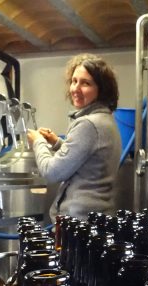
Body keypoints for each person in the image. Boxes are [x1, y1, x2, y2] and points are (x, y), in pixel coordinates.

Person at [27, 53, 121, 223]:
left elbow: (52, 172)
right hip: (96, 219)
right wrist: (56, 143)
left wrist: (38, 142)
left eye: (85, 83)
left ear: (101, 89)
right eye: (74, 81)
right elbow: (87, 160)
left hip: (79, 222)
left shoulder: (88, 124)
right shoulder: (105, 119)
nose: (75, 89)